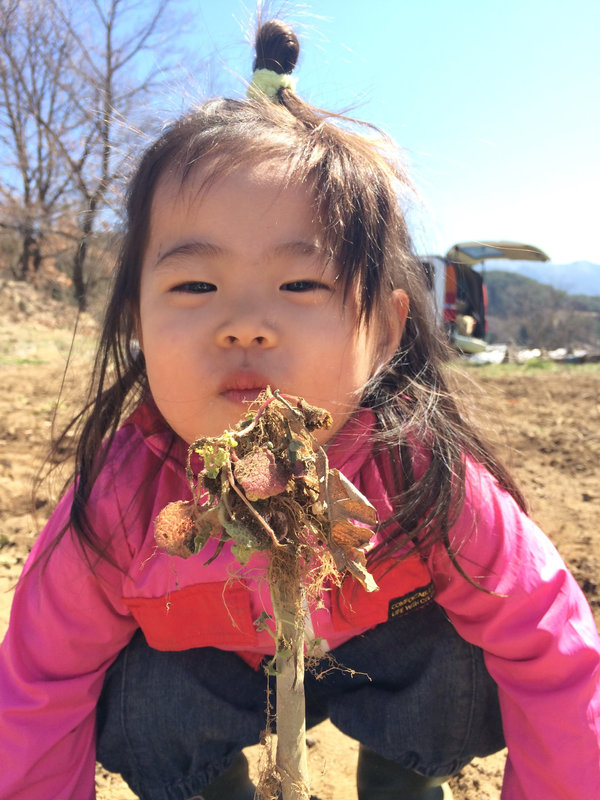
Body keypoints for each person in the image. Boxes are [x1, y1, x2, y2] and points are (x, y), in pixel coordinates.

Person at [0, 18, 599, 800]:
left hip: (375, 661)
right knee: (134, 691)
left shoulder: (420, 473)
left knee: (464, 654)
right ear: (137, 320)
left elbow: (555, 655)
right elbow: (38, 691)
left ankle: (403, 781)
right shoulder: (121, 503)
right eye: (194, 286)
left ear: (384, 330)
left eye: (300, 285)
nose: (245, 323)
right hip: (215, 680)